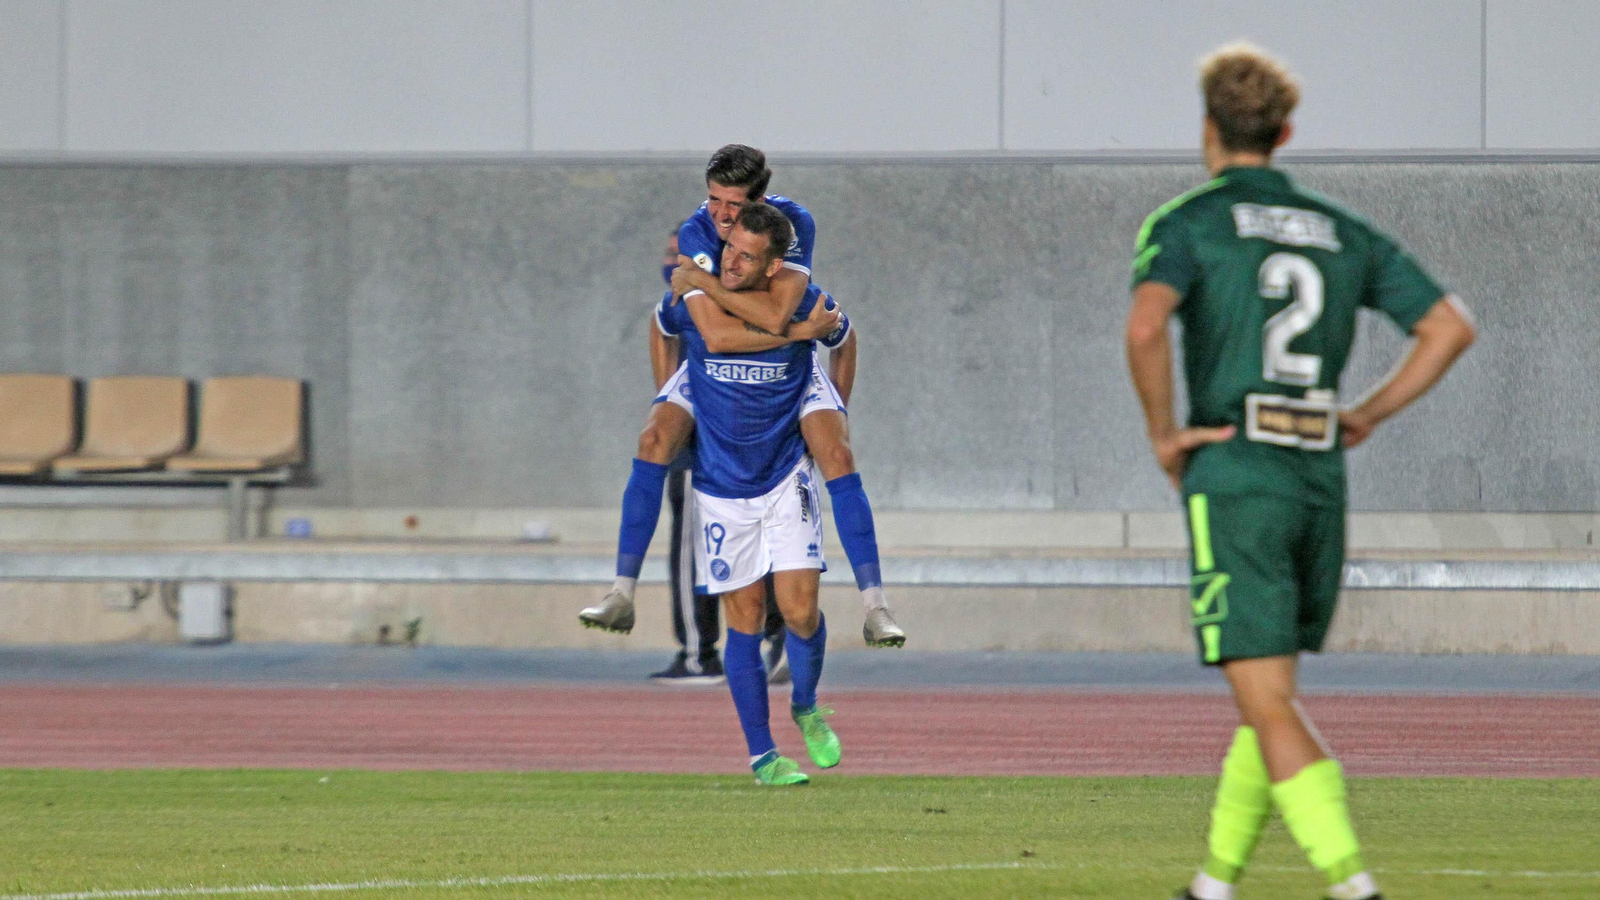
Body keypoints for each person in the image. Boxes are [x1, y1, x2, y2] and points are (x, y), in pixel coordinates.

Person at [1125, 43, 1475, 900]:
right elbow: (1448, 326)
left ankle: (1353, 884)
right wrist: (1365, 414)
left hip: (1236, 470)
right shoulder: (1341, 230)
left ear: (1208, 129)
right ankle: (1212, 885)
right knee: (1268, 687)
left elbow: (1144, 328)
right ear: (1284, 132)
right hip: (1317, 472)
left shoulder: (1187, 222)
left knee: (1268, 699)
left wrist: (1167, 436)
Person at [580, 145, 906, 649]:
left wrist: (835, 410)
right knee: (653, 439)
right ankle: (621, 592)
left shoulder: (793, 225)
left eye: (734, 206)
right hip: (713, 371)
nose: (721, 218)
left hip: (787, 375)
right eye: (714, 201)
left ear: (761, 206)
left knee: (837, 453)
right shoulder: (697, 230)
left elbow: (787, 319)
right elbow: (704, 334)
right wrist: (668, 396)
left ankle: (876, 606)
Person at [659, 202, 849, 785]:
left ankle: (807, 704)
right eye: (728, 247)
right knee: (742, 614)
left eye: (745, 253)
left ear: (774, 266)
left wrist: (832, 410)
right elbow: (684, 332)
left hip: (785, 470)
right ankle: (763, 756)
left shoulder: (804, 298)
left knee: (799, 609)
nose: (730, 259)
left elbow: (845, 337)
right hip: (721, 480)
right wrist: (669, 400)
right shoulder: (697, 294)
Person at [647, 226, 790, 684]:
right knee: (702, 543)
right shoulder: (676, 307)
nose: (674, 262)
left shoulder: (729, 302)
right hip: (696, 441)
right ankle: (712, 647)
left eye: (681, 254)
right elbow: (664, 347)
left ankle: (714, 649)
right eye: (668, 254)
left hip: (734, 442)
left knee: (743, 542)